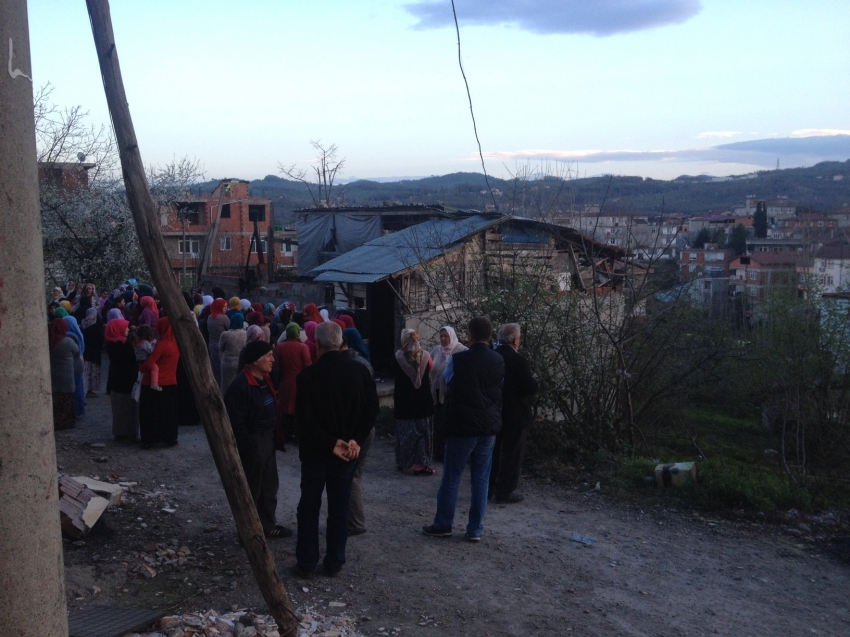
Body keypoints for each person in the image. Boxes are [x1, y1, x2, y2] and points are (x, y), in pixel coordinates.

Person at [294, 321, 378, 577]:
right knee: (339, 507)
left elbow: (304, 422)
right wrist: (354, 439)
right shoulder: (360, 372)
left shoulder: (307, 377)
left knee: (309, 507)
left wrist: (332, 444)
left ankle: (307, 562)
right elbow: (371, 410)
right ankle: (334, 561)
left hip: (317, 454)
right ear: (342, 343)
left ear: (317, 345)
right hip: (348, 453)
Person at [423, 316, 504, 542]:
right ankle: (475, 529)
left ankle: (443, 524)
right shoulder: (498, 360)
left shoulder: (460, 360)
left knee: (452, 476)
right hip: (488, 427)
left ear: (470, 335)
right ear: (489, 335)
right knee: (481, 479)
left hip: (463, 425)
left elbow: (446, 380)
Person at [224, 340, 292, 539]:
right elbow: (236, 424)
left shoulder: (264, 378)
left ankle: (267, 526)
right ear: (255, 361)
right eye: (268, 356)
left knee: (269, 486)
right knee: (252, 489)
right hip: (254, 444)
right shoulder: (241, 386)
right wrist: (251, 446)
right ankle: (248, 533)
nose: (273, 360)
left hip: (267, 441)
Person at [490, 324, 539, 504]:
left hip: (494, 411)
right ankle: (505, 491)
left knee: (492, 451)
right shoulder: (518, 360)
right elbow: (530, 387)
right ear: (516, 340)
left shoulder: (493, 355)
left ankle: (489, 488)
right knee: (512, 454)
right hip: (515, 414)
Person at [341, 334, 375, 536]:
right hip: (366, 427)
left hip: (356, 429)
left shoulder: (350, 367)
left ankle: (356, 522)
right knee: (356, 474)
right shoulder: (363, 362)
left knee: (352, 476)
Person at [393, 329, 436, 475]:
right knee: (423, 434)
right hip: (423, 400)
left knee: (404, 433)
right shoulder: (426, 356)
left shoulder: (398, 357)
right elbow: (431, 368)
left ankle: (402, 462)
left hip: (403, 401)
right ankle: (421, 465)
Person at [138, 317, 180, 449]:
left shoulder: (162, 344)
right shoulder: (176, 343)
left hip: (153, 382)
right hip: (171, 380)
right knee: (169, 412)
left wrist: (141, 367)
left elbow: (150, 363)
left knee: (149, 413)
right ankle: (170, 437)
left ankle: (149, 440)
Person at [429, 325, 467, 462]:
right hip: (437, 393)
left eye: (446, 336)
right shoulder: (437, 350)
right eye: (441, 336)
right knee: (437, 422)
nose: (443, 339)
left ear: (452, 336)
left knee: (449, 423)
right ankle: (437, 453)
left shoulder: (461, 351)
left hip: (452, 396)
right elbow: (430, 367)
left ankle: (449, 453)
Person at [275, 322, 312, 442]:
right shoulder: (303, 347)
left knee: (285, 408)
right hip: (299, 382)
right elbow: (308, 365)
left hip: (284, 381)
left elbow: (276, 366)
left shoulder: (279, 347)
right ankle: (298, 434)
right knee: (298, 408)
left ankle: (286, 433)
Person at [105, 317, 139, 441]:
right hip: (126, 380)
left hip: (115, 380)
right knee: (129, 408)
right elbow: (131, 362)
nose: (127, 329)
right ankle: (130, 433)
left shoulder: (111, 344)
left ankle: (119, 432)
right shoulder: (123, 345)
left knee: (119, 409)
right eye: (125, 327)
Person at [49, 319, 79, 430]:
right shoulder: (67, 341)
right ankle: (66, 421)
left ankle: (56, 420)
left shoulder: (49, 339)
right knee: (67, 397)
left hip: (53, 372)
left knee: (56, 397)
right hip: (66, 372)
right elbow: (76, 351)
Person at [219, 312, 247, 392]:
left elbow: (221, 348)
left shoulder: (225, 334)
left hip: (227, 363)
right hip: (240, 363)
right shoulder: (246, 334)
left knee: (225, 385)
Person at [81, 307, 105, 397]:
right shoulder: (96, 327)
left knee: (86, 371)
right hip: (95, 352)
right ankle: (93, 389)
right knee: (94, 371)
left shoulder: (83, 324)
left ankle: (85, 389)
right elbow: (100, 340)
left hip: (86, 351)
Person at [207, 298, 230, 385]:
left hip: (212, 345)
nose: (226, 309)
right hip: (221, 346)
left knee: (214, 368)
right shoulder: (224, 318)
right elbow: (229, 328)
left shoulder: (210, 317)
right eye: (224, 307)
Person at [134, 324, 161, 391]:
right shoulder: (145, 343)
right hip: (144, 359)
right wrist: (155, 345)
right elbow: (150, 351)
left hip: (139, 360)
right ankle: (154, 384)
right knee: (155, 368)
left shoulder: (138, 342)